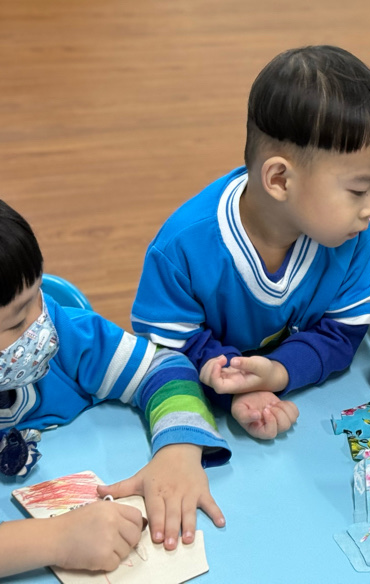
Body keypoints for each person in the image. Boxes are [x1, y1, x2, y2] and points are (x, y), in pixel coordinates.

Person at [131, 46, 370, 439]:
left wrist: (278, 373)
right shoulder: (182, 250)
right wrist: (231, 382)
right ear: (278, 180)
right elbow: (166, 347)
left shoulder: (353, 241)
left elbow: (343, 331)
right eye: (359, 190)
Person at [0, 199, 229, 577]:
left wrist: (178, 450)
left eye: (34, 299)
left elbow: (164, 367)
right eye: (14, 322)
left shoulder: (69, 337)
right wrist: (55, 540)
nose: (38, 325)